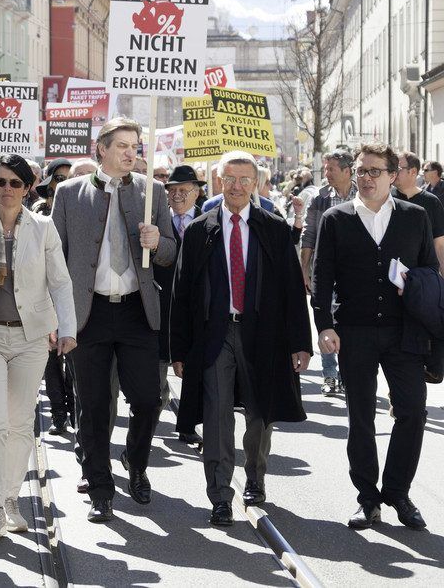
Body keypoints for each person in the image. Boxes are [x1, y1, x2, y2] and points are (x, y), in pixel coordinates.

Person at [170, 151, 311, 527]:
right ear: (218, 181)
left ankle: (255, 474)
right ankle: (219, 495)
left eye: (244, 180)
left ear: (257, 184)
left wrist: (300, 342)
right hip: (216, 335)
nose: (236, 187)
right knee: (216, 417)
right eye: (230, 179)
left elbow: (293, 291)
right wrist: (179, 349)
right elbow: (182, 293)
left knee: (259, 414)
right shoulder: (201, 229)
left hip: (263, 335)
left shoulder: (274, 228)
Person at [51, 117, 176, 523]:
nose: (130, 152)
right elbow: (54, 260)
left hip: (137, 311)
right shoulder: (69, 194)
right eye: (121, 145)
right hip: (89, 313)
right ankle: (100, 488)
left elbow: (172, 253)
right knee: (93, 403)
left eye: (135, 146)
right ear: (100, 148)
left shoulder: (152, 192)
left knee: (146, 398)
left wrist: (158, 243)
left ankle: (136, 463)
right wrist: (56, 317)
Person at [313, 143, 437, 531]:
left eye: (374, 171)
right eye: (361, 171)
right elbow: (322, 277)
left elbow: (430, 270)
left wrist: (414, 285)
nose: (366, 178)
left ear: (393, 175)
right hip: (356, 331)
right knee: (361, 416)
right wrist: (325, 325)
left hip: (405, 332)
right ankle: (367, 499)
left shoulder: (416, 217)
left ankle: (397, 492)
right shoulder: (336, 218)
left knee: (413, 412)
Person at [0, 154, 76, 541]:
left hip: (31, 338)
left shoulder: (44, 229)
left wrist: (67, 328)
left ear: (28, 188)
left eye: (15, 183)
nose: (7, 189)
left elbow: (60, 282)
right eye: (0, 182)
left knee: (21, 422)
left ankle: (11, 498)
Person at [298, 151, 357, 396]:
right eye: (325, 169)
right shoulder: (320, 199)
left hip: (356, 272)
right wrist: (304, 270)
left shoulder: (364, 194)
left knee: (349, 323)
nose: (327, 173)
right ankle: (330, 375)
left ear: (347, 170)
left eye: (331, 168)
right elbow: (308, 235)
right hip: (327, 270)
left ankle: (346, 373)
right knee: (326, 320)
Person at [155, 164, 206, 445]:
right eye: (172, 190)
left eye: (183, 190)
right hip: (163, 307)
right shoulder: (158, 221)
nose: (176, 196)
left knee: (194, 369)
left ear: (196, 193)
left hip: (196, 311)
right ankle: (154, 411)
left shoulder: (211, 220)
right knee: (158, 370)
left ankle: (187, 424)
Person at [30, 158, 76, 435]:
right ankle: (59, 413)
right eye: (59, 177)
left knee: (73, 359)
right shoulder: (39, 212)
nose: (64, 182)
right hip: (44, 294)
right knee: (50, 359)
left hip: (73, 294)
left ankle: (75, 411)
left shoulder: (85, 209)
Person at [393, 152, 444, 268]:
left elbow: (439, 245)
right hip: (390, 276)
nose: (393, 172)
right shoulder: (386, 199)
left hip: (423, 276)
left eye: (398, 168)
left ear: (413, 171)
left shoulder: (432, 202)